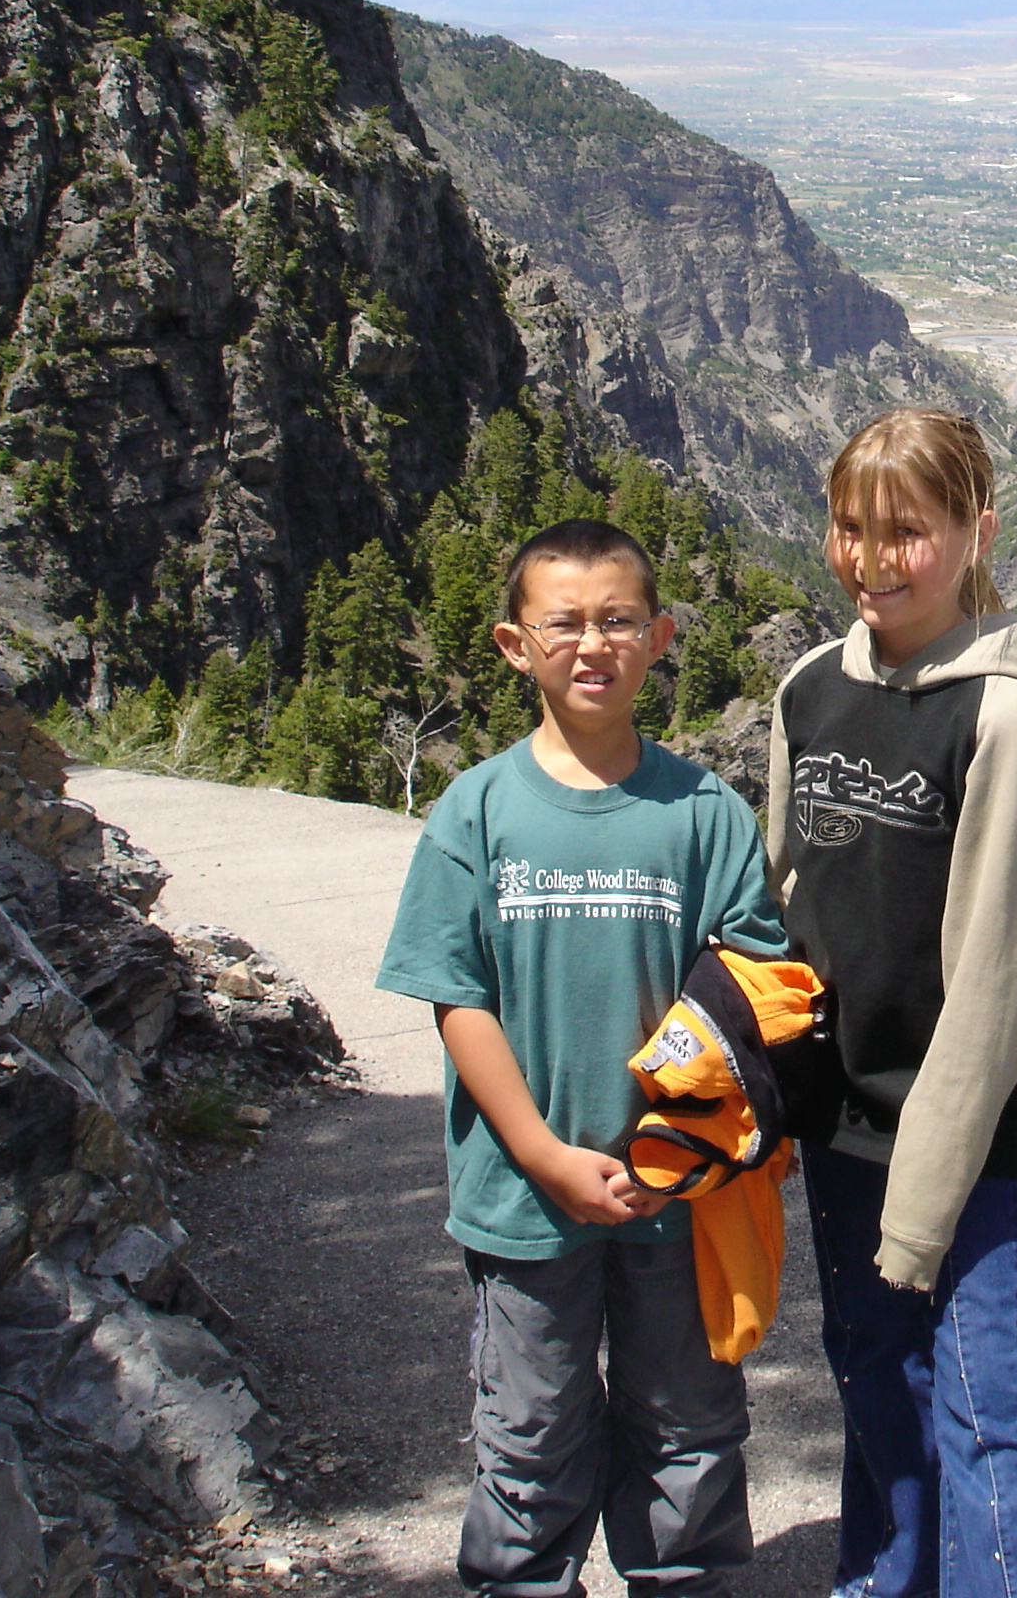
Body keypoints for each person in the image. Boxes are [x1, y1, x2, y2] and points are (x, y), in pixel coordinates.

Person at [376, 517, 785, 1598]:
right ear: (518, 645)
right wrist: (544, 1153)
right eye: (564, 624)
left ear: (658, 638)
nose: (592, 645)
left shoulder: (704, 813)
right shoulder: (477, 811)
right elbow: (457, 999)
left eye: (618, 622)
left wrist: (676, 1151)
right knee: (529, 1435)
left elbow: (753, 991)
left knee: (690, 1429)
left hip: (677, 1194)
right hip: (525, 1197)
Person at [765, 407, 1017, 1598]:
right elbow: (785, 898)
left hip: (962, 1140)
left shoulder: (1001, 718)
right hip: (845, 1119)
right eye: (852, 527)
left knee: (981, 1395)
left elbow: (1004, 978)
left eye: (908, 530)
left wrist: (926, 1201)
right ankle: (879, 1578)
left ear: (974, 532)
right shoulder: (810, 690)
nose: (872, 558)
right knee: (867, 1365)